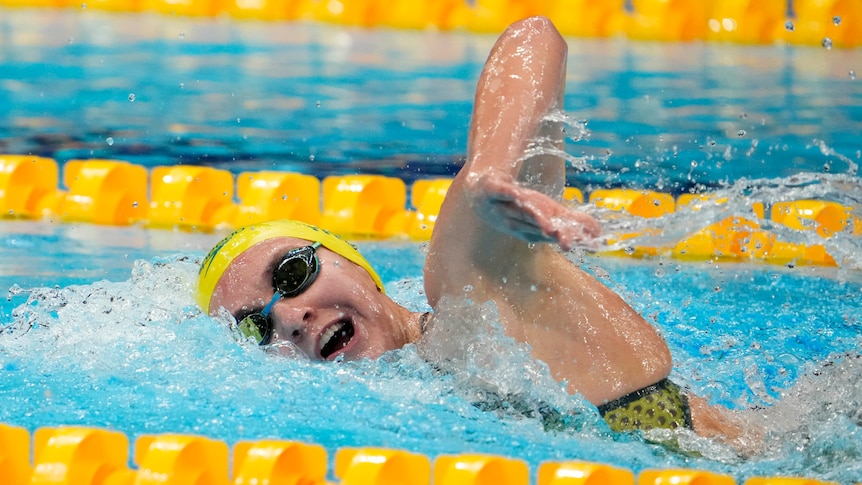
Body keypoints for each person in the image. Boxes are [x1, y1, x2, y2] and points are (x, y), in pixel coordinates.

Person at [197, 17, 754, 451]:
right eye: (255, 328)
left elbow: (536, 38)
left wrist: (490, 170)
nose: (289, 320)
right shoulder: (399, 406)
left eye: (293, 275)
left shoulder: (471, 301)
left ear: (355, 264)